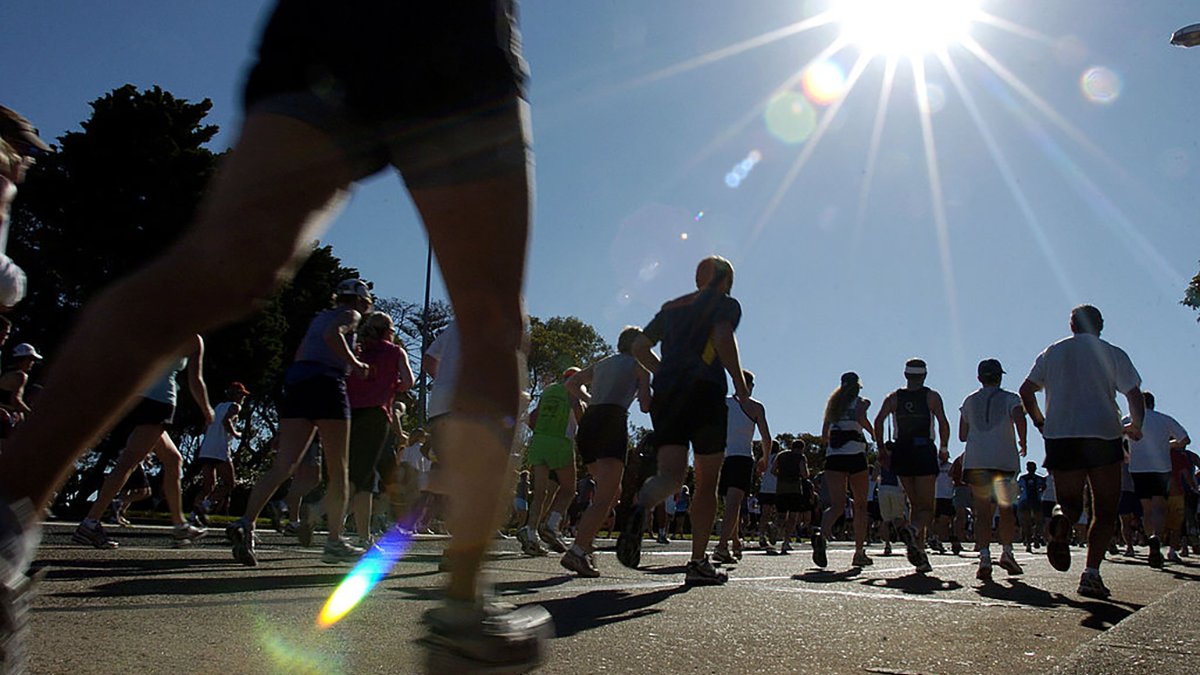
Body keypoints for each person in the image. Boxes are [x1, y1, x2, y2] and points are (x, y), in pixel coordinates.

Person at [0, 3, 546, 670]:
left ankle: (7, 521)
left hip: (336, 30)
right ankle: (464, 608)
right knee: (490, 316)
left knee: (224, 266)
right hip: (450, 31)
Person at [617, 255, 751, 586]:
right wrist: (739, 382)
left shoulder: (672, 307)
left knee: (673, 476)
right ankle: (697, 561)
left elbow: (638, 345)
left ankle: (642, 506)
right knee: (706, 481)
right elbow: (721, 337)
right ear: (726, 281)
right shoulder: (725, 304)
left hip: (669, 396)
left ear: (697, 278)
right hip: (705, 391)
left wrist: (662, 371)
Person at [227, 279, 373, 566]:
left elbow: (302, 353)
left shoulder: (318, 317)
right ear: (359, 301)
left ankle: (246, 522)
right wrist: (356, 366)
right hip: (328, 384)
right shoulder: (349, 315)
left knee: (284, 465)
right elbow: (335, 335)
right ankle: (333, 541)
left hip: (298, 384)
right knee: (339, 468)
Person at [1020, 304, 1144, 599]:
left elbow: (1026, 390)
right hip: (1103, 434)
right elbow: (1134, 395)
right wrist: (1136, 425)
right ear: (1100, 326)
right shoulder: (1113, 353)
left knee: (1071, 503)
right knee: (1104, 509)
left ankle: (1061, 519)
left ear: (1071, 325)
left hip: (1061, 435)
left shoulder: (1052, 352)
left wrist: (1040, 422)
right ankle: (1091, 574)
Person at [73, 335, 212, 549]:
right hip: (159, 402)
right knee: (128, 462)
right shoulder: (193, 337)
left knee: (173, 460)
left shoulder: (158, 322)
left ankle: (179, 525)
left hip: (137, 397)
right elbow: (196, 380)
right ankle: (90, 522)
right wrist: (207, 411)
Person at [559, 327, 651, 577]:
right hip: (612, 419)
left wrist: (589, 399)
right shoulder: (639, 367)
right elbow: (645, 406)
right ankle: (577, 551)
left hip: (590, 423)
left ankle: (585, 541)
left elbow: (572, 383)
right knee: (606, 495)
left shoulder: (603, 363)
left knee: (611, 492)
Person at [873, 358, 951, 573]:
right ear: (924, 375)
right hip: (923, 448)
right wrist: (944, 448)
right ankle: (913, 529)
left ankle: (920, 554)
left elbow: (878, 421)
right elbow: (943, 422)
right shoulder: (931, 397)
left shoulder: (894, 398)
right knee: (926, 507)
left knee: (915, 504)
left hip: (902, 450)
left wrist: (881, 449)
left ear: (906, 375)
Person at [346, 311, 414, 546]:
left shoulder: (358, 350)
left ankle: (351, 525)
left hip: (350, 413)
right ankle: (322, 512)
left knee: (354, 472)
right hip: (376, 413)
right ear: (389, 331)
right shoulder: (395, 352)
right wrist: (392, 383)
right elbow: (409, 382)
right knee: (369, 477)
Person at [958, 358, 1028, 581]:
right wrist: (1023, 441)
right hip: (1003, 460)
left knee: (982, 512)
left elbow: (962, 434)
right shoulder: (1010, 398)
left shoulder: (969, 400)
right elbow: (1019, 417)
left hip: (978, 461)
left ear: (980, 377)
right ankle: (1007, 551)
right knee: (1006, 509)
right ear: (1000, 376)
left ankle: (985, 556)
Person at [814, 372, 876, 569]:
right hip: (855, 455)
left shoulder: (832, 406)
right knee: (860, 506)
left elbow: (824, 434)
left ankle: (821, 536)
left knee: (837, 505)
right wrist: (873, 433)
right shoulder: (862, 401)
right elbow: (860, 417)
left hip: (834, 457)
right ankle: (859, 552)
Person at [517, 367, 582, 557]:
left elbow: (532, 419)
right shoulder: (574, 392)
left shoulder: (549, 391)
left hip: (539, 441)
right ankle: (551, 525)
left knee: (540, 493)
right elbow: (580, 416)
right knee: (569, 490)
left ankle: (530, 533)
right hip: (560, 442)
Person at [1123, 391, 1190, 569]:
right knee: (1159, 506)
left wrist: (1126, 453)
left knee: (1146, 508)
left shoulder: (1128, 419)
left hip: (1138, 467)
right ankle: (1157, 538)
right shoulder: (1164, 419)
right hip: (1161, 467)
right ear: (1153, 403)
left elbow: (1115, 437)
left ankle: (1150, 537)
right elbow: (1184, 440)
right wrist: (1167, 444)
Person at [713, 369, 770, 565]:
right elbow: (766, 437)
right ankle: (722, 546)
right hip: (741, 458)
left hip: (727, 458)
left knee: (731, 502)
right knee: (733, 503)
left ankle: (735, 541)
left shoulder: (724, 403)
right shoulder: (755, 407)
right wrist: (765, 459)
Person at [0, 105, 47, 311]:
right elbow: (4, 284)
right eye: (29, 150)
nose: (32, 159)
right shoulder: (3, 188)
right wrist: (14, 285)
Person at [190, 382, 250, 525]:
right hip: (220, 449)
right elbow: (226, 421)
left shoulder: (217, 407)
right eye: (241, 394)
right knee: (230, 483)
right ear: (235, 395)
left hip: (206, 449)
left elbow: (206, 426)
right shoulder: (235, 407)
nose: (243, 398)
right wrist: (236, 434)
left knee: (208, 486)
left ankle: (194, 514)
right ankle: (206, 505)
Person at [0, 344, 42, 441]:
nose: (32, 363)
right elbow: (15, 400)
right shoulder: (21, 376)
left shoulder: (6, 372)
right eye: (31, 359)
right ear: (24, 359)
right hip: (5, 419)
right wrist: (31, 414)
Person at [1016, 461, 1046, 553]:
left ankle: (1034, 538)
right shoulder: (1037, 479)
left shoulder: (1036, 478)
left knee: (1036, 522)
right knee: (1029, 523)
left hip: (1032, 501)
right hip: (1028, 502)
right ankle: (1030, 541)